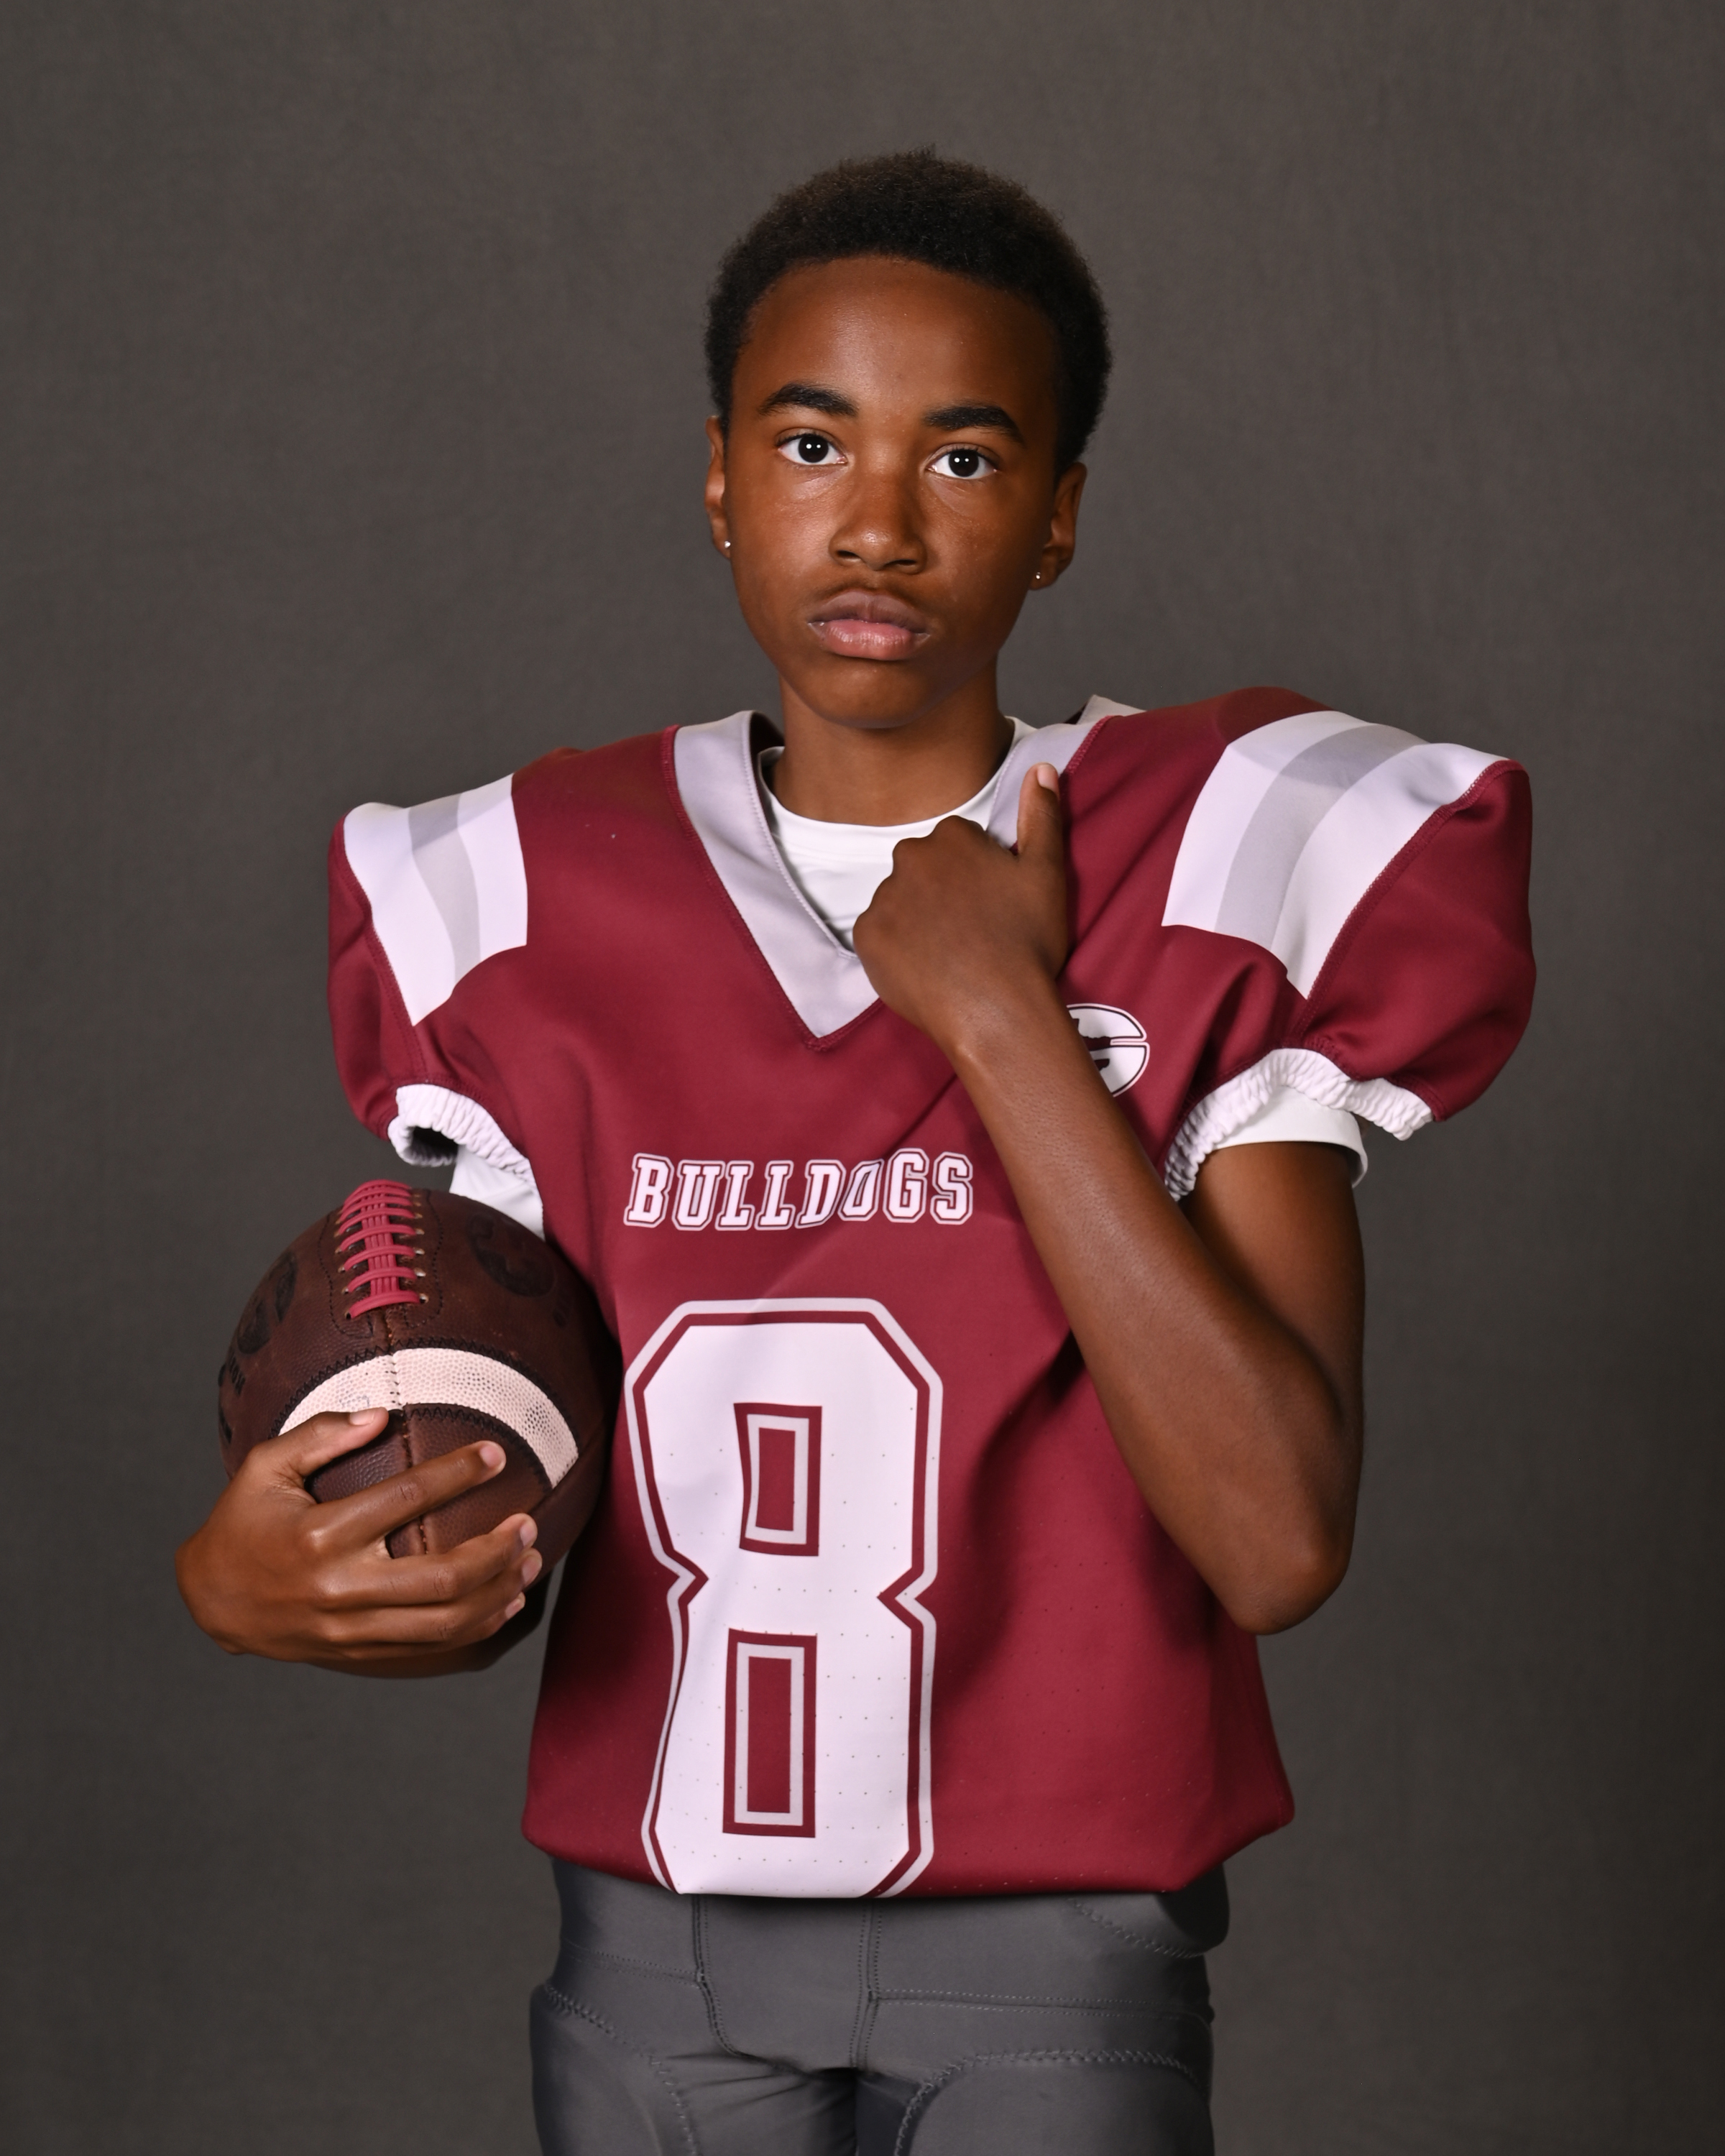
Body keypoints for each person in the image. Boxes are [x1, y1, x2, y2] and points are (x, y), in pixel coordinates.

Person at [177, 151, 1533, 2152]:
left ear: (1059, 514)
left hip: (1059, 1953)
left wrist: (1003, 1017)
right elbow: (483, 1500)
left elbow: (1274, 1538)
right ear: (722, 478)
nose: (880, 520)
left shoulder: (1222, 861)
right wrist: (251, 1576)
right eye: (812, 441)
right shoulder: (529, 896)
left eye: (965, 457)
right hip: (652, 1952)